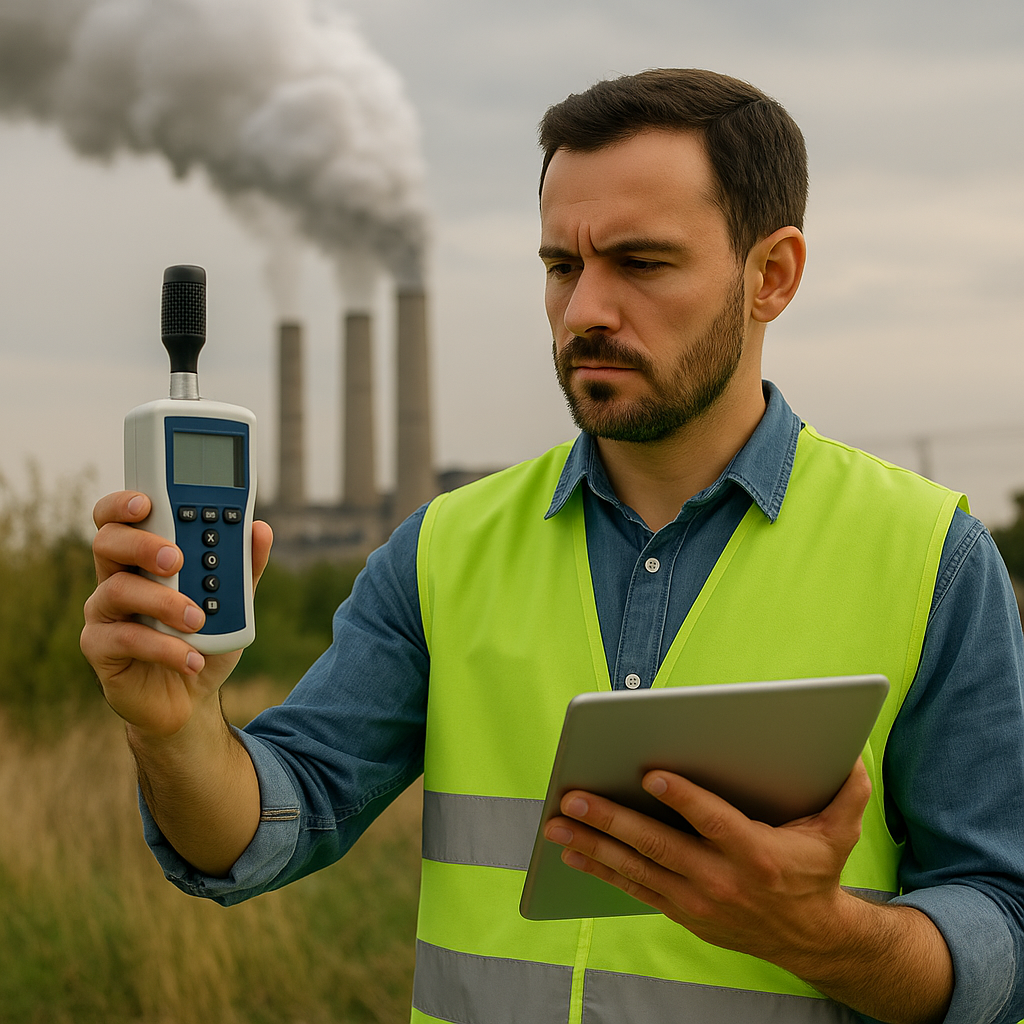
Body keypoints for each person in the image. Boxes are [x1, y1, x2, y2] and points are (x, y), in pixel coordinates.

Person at [81, 69, 1024, 1024]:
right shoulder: (446, 548)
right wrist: (176, 726)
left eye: (642, 264)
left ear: (771, 275)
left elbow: (1005, 924)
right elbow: (273, 822)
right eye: (562, 268)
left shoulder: (930, 559)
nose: (583, 313)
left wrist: (822, 934)